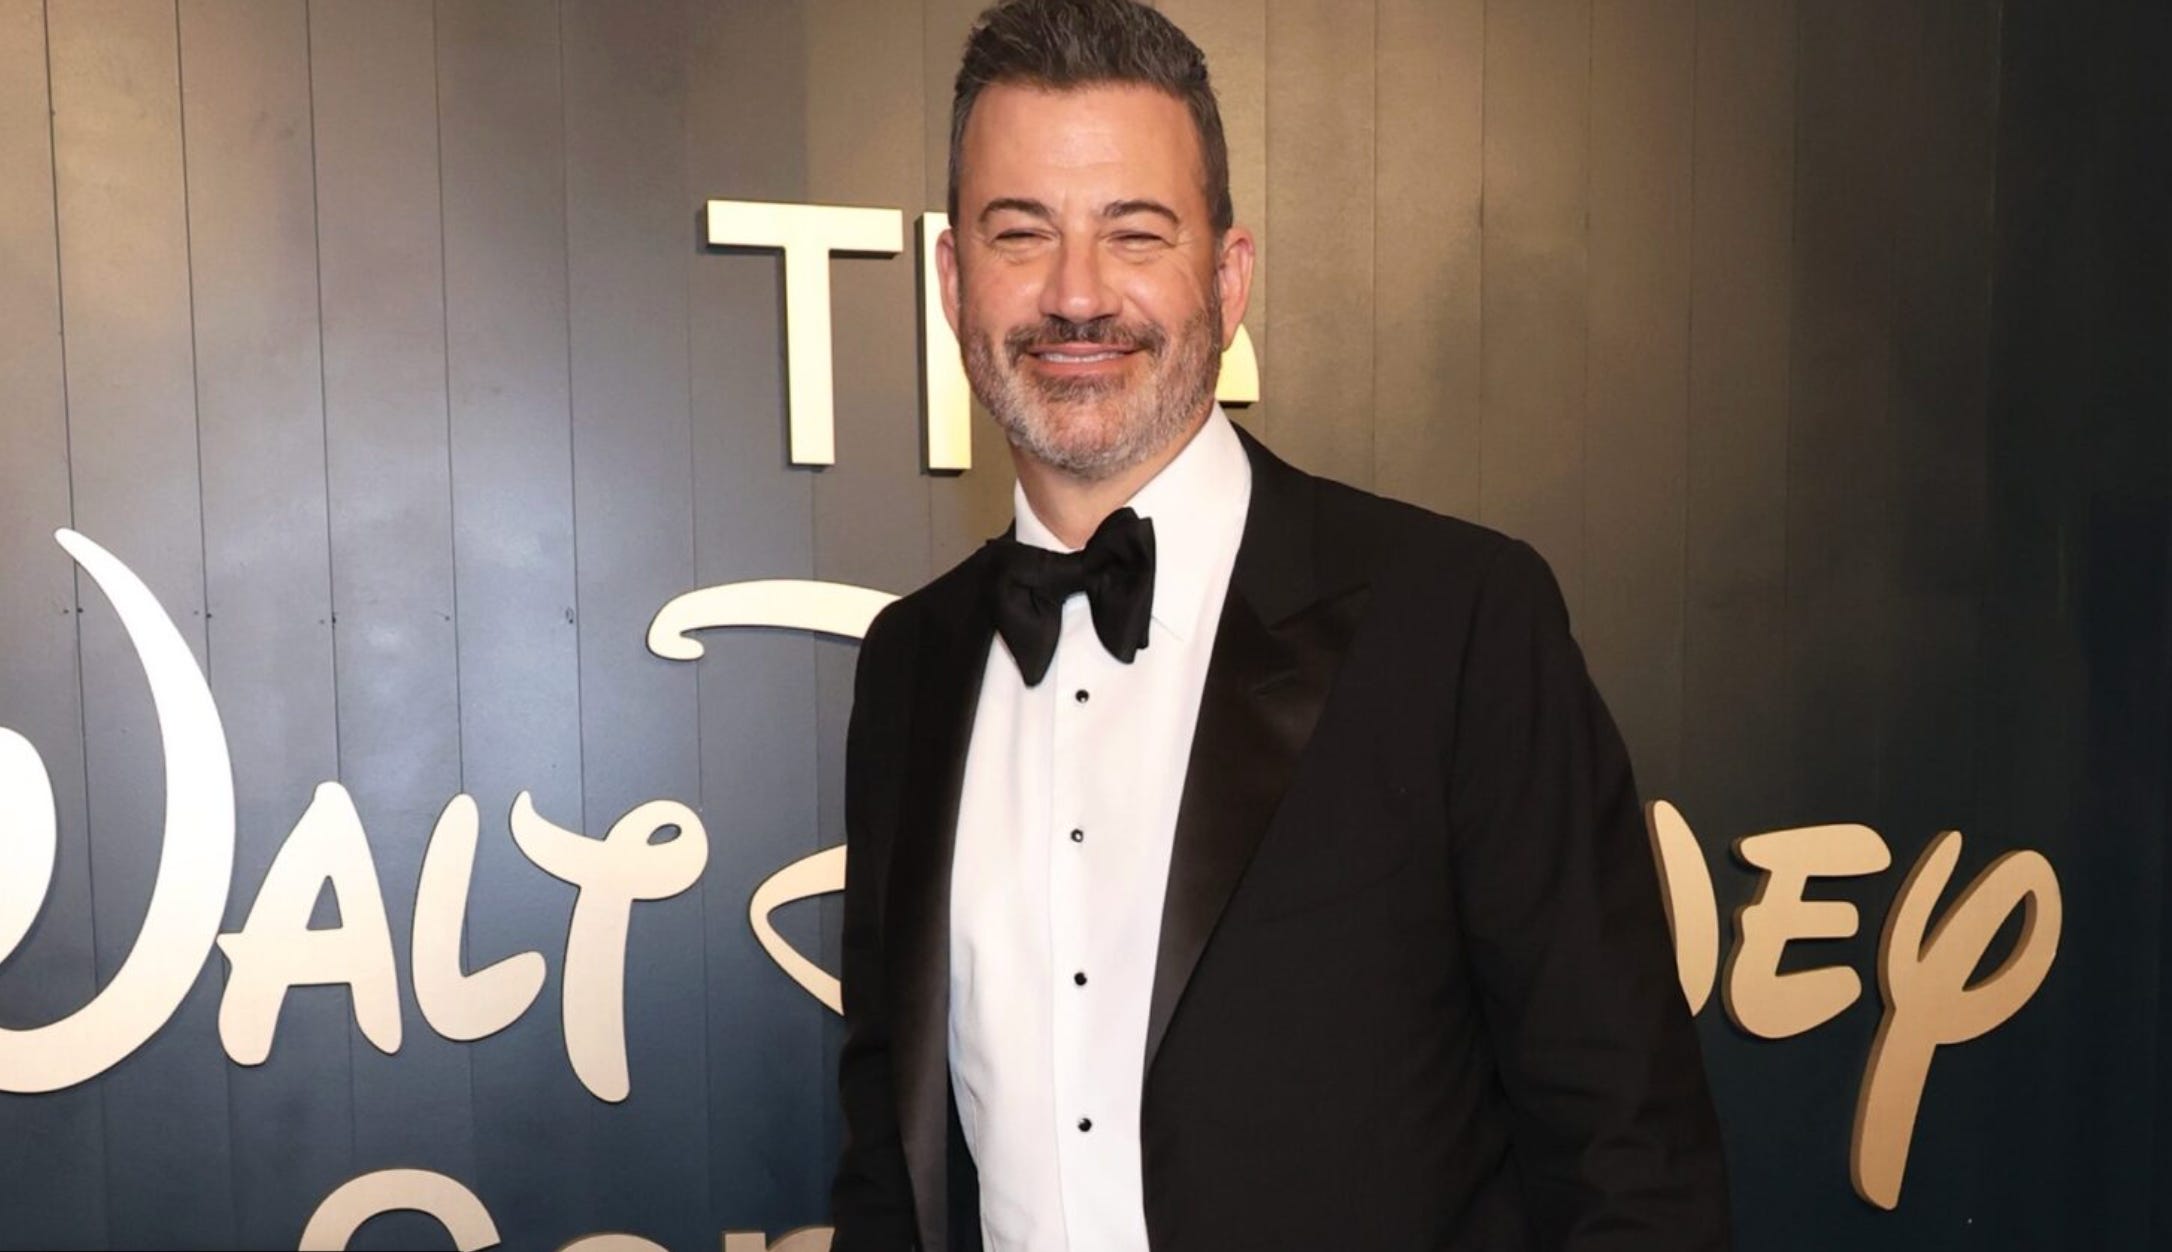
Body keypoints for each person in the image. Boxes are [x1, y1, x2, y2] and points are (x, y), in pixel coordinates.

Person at [830, 1, 1730, 1248]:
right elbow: (889, 1160)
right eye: (1021, 233)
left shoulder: (1459, 622)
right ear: (951, 281)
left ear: (1228, 276)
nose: (1076, 294)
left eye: (1135, 233)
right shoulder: (910, 666)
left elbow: (1630, 1156)